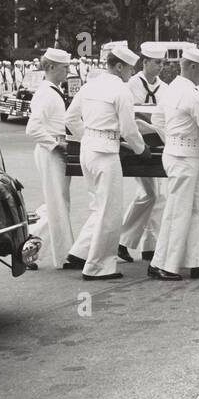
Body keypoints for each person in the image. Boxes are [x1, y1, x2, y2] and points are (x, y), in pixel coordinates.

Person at [63, 43, 146, 280]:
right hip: (106, 153)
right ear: (119, 67)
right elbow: (129, 130)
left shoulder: (90, 85)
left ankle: (80, 253)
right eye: (130, 69)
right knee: (109, 211)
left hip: (88, 149)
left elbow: (70, 117)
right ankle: (98, 267)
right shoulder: (121, 90)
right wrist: (141, 150)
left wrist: (88, 137)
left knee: (99, 206)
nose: (132, 74)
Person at [148, 46, 199, 281]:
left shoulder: (169, 90)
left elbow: (156, 119)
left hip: (179, 154)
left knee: (198, 207)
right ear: (192, 67)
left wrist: (171, 138)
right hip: (185, 157)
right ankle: (162, 263)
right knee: (178, 211)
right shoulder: (193, 93)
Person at [118, 42, 170, 263]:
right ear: (145, 62)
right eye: (156, 62)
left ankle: (150, 245)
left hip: (158, 146)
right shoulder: (130, 85)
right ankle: (122, 240)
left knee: (156, 196)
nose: (160, 67)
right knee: (151, 194)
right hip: (135, 147)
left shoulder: (165, 89)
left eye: (162, 63)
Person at [24, 47, 73, 269]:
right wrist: (55, 145)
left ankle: (30, 243)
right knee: (57, 204)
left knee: (56, 202)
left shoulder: (52, 90)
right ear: (51, 67)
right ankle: (61, 255)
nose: (68, 71)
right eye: (65, 67)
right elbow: (32, 129)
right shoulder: (46, 93)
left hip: (53, 148)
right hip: (50, 151)